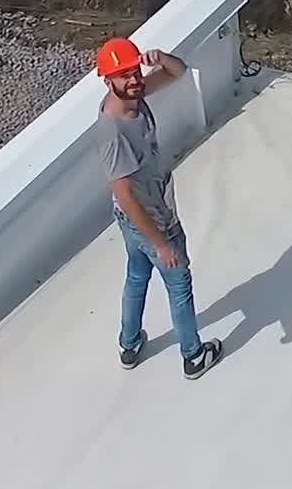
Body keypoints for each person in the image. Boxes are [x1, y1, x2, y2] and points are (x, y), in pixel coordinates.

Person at [93, 37, 223, 381]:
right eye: (123, 76)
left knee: (137, 274)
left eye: (135, 71)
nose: (133, 79)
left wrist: (161, 58)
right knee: (179, 283)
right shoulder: (113, 131)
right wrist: (161, 243)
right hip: (150, 219)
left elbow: (178, 73)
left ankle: (130, 344)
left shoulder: (131, 98)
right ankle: (193, 355)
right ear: (107, 81)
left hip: (138, 219)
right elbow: (124, 194)